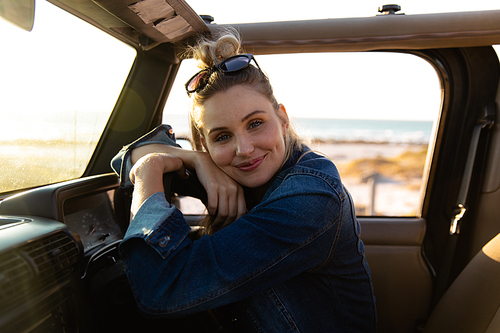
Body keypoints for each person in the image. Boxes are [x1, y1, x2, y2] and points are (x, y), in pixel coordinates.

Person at [111, 29, 377, 332]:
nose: (244, 149)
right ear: (203, 141)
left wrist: (149, 169)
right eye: (222, 136)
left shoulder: (310, 197)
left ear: (283, 119)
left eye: (255, 123)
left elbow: (161, 289)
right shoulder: (229, 169)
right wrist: (197, 160)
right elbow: (123, 157)